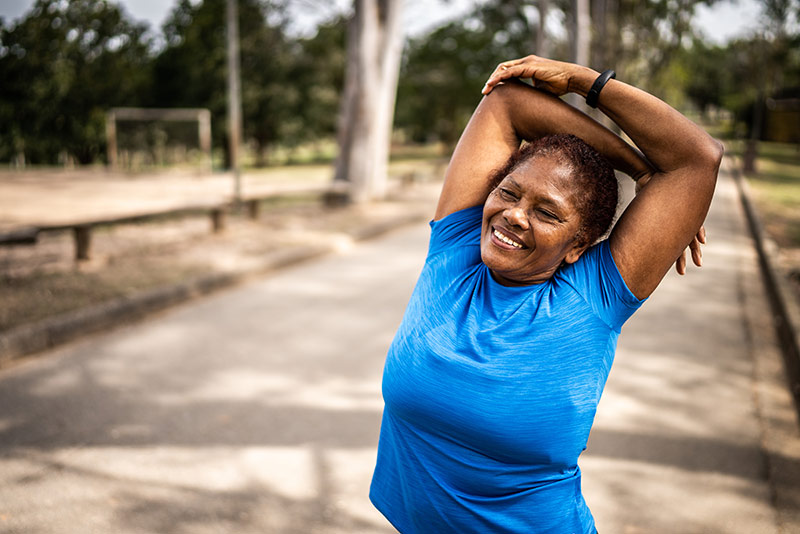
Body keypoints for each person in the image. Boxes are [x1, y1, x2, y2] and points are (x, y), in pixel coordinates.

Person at [369, 55, 723, 534]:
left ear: (578, 246)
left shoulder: (594, 295)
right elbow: (508, 102)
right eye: (510, 193)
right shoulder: (454, 252)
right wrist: (640, 170)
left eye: (548, 213)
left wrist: (587, 83)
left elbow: (698, 158)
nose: (514, 216)